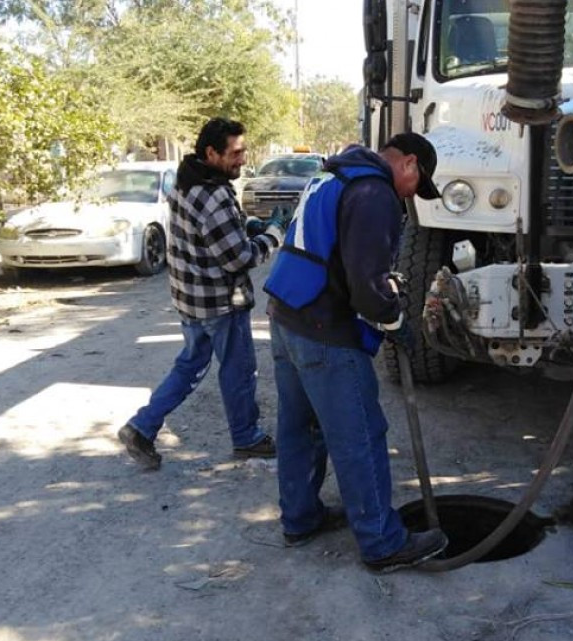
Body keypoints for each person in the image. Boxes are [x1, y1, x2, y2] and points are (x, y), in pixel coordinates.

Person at [262, 133, 449, 572]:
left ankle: (300, 518)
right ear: (408, 163)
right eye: (415, 186)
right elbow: (366, 285)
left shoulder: (334, 175)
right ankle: (383, 544)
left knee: (301, 428)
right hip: (323, 329)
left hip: (286, 315)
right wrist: (396, 321)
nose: (410, 196)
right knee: (359, 435)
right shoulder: (374, 192)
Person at [117, 117, 285, 471]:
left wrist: (246, 225)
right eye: (235, 153)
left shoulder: (188, 180)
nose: (242, 159)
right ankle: (247, 437)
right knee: (239, 371)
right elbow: (238, 258)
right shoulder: (214, 195)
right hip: (220, 303)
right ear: (211, 152)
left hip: (190, 299)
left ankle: (141, 427)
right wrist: (273, 235)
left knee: (190, 365)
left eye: (244, 151)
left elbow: (210, 234)